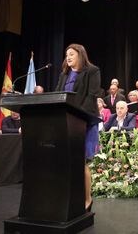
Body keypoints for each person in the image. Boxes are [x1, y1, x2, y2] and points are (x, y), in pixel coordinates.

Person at [54, 43, 101, 212]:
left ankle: (87, 200)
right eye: (66, 55)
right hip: (65, 122)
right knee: (67, 161)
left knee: (82, 162)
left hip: (84, 122)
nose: (68, 57)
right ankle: (70, 197)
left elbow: (91, 96)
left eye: (71, 54)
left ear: (80, 55)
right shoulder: (63, 75)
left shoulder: (92, 71)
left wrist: (78, 116)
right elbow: (57, 96)